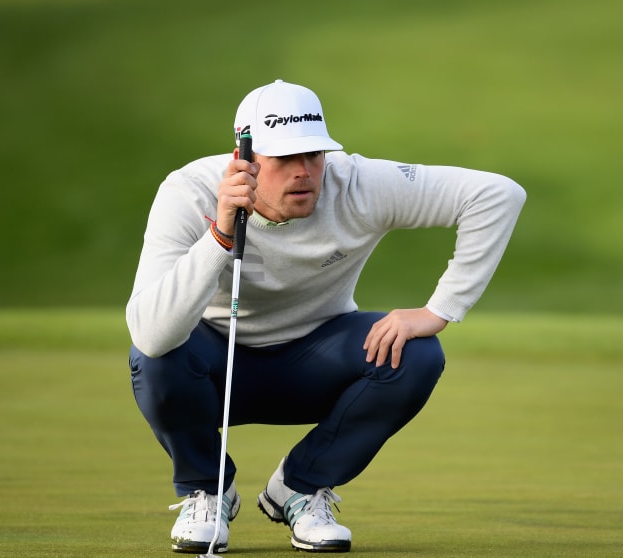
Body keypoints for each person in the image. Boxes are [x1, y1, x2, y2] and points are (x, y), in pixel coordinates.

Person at [126, 79, 525, 554]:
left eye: (313, 155)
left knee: (415, 353)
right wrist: (221, 233)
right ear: (245, 159)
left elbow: (498, 194)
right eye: (284, 159)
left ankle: (300, 489)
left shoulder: (356, 183)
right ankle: (207, 491)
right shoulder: (189, 191)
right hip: (215, 369)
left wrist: (440, 310)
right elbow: (151, 333)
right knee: (157, 357)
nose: (305, 172)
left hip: (315, 364)